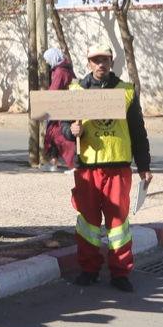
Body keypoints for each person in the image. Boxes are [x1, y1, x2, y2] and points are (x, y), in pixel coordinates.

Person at [62, 45, 151, 292]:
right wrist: (71, 131)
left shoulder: (126, 92)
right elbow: (60, 126)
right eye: (96, 60)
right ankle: (89, 270)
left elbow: (138, 132)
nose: (101, 64)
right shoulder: (75, 91)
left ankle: (120, 273)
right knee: (88, 223)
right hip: (87, 170)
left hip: (118, 169)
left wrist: (144, 166)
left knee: (118, 226)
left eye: (105, 60)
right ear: (88, 63)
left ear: (112, 63)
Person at [43, 47, 78, 171]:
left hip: (61, 108)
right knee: (53, 135)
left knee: (61, 136)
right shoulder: (63, 69)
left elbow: (54, 90)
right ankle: (53, 163)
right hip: (60, 107)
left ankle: (74, 165)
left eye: (47, 59)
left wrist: (43, 100)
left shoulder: (60, 72)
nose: (47, 63)